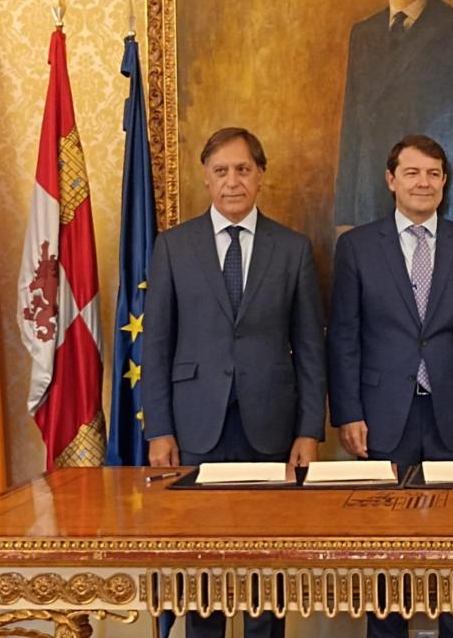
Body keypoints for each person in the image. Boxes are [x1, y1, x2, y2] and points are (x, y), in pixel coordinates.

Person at [142, 127, 327, 638]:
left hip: (269, 430)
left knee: (265, 576)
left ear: (260, 177)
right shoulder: (174, 247)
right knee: (203, 577)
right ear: (206, 178)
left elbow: (311, 347)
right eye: (221, 171)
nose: (232, 181)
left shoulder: (291, 249)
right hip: (195, 430)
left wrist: (309, 431)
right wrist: (159, 429)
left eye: (242, 169)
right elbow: (155, 345)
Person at [328, 134, 453, 638]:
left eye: (433, 173)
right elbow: (344, 336)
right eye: (412, 172)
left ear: (445, 183)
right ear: (391, 180)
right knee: (385, 550)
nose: (423, 182)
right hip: (382, 416)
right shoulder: (357, 247)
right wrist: (347, 413)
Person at [335, 0, 453, 237]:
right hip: (371, 202)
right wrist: (345, 216)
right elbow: (352, 129)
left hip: (438, 206)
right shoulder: (363, 33)